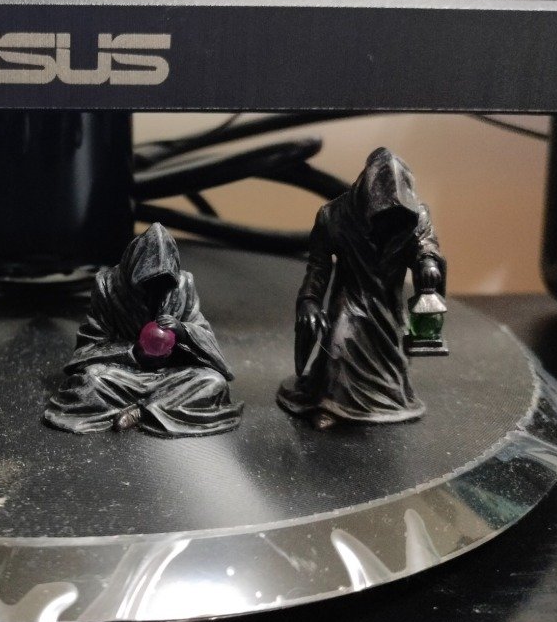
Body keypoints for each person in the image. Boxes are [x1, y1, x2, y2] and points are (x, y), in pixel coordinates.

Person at [277, 147, 445, 428]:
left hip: (388, 302)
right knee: (340, 340)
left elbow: (426, 245)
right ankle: (331, 405)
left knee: (391, 362)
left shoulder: (417, 217)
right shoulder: (333, 216)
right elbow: (318, 267)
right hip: (351, 298)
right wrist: (309, 301)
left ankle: (384, 400)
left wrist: (428, 263)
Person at [44, 223, 242, 437]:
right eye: (147, 282)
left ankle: (142, 412)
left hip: (172, 375)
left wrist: (184, 332)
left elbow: (205, 336)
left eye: (162, 283)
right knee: (91, 381)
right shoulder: (108, 286)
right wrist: (133, 352)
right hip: (124, 375)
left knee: (213, 382)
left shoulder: (184, 285)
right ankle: (161, 407)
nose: (154, 290)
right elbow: (90, 344)